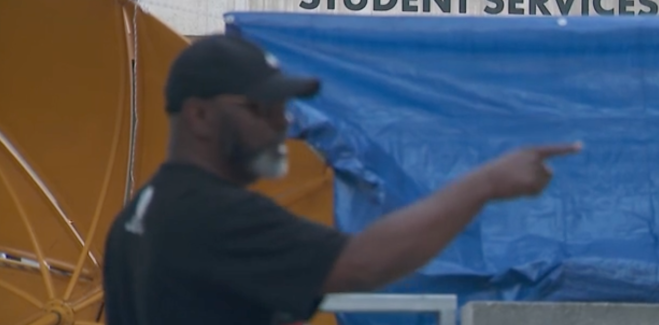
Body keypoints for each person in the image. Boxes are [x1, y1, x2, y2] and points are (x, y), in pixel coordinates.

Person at [102, 34, 582, 325]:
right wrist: (486, 184)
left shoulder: (136, 216)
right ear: (200, 116)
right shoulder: (215, 214)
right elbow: (360, 265)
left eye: (284, 108)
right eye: (261, 109)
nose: (282, 123)